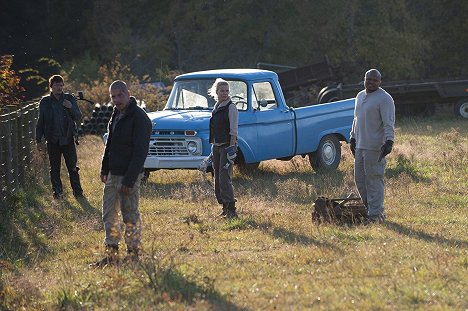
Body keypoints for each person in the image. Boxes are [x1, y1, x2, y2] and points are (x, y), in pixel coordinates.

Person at [92, 80, 152, 267]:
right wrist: (104, 168)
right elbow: (109, 144)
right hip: (113, 173)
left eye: (119, 95)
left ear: (128, 93)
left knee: (130, 216)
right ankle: (112, 255)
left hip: (129, 176)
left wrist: (129, 179)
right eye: (113, 96)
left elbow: (140, 152)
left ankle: (133, 254)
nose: (116, 99)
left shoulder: (140, 118)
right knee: (109, 214)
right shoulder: (116, 113)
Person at [350, 69, 395, 223]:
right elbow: (356, 118)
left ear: (379, 82)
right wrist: (352, 137)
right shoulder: (360, 96)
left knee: (374, 181)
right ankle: (369, 210)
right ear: (364, 79)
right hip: (360, 146)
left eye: (374, 80)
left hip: (375, 147)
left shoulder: (385, 99)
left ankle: (376, 215)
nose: (371, 82)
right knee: (360, 180)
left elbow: (389, 123)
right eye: (368, 79)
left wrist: (389, 141)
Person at [36, 75, 83, 199]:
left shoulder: (69, 99)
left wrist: (71, 107)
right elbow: (40, 122)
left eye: (61, 85)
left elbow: (78, 116)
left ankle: (78, 193)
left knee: (72, 167)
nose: (59, 87)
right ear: (51, 86)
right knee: (54, 169)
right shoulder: (45, 102)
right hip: (52, 140)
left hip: (68, 139)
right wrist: (38, 140)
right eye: (56, 85)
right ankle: (58, 194)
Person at [208, 78, 239, 219]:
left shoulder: (231, 107)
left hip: (227, 146)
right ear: (216, 92)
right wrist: (212, 148)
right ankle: (224, 208)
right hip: (216, 146)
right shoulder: (216, 107)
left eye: (227, 91)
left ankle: (231, 209)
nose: (225, 93)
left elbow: (233, 131)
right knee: (217, 178)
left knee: (225, 178)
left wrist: (231, 149)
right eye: (222, 91)